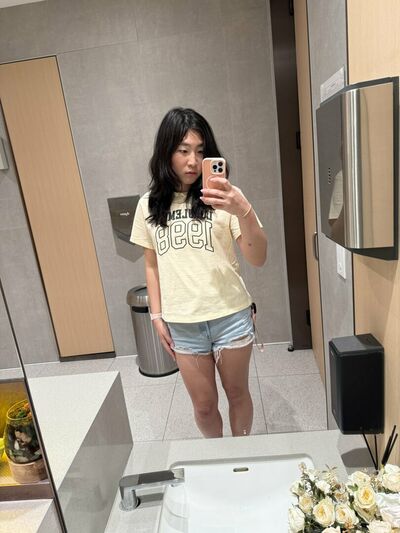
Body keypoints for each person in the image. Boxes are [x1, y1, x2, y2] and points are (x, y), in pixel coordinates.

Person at [130, 107, 267, 438]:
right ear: (166, 152)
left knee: (238, 394)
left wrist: (244, 210)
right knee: (204, 406)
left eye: (201, 151)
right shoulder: (148, 205)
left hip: (230, 315)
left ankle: (242, 456)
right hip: (183, 323)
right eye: (183, 150)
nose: (193, 161)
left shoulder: (224, 199)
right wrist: (156, 316)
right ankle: (217, 457)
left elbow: (258, 257)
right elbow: (152, 263)